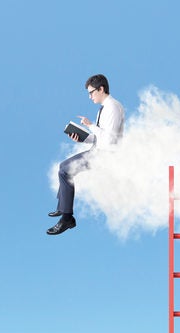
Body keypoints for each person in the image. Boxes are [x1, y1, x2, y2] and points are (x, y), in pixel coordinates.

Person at [48, 73, 125, 236]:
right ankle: (63, 208)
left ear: (101, 89)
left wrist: (90, 125)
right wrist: (82, 137)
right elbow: (98, 137)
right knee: (64, 168)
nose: (90, 97)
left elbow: (110, 140)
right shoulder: (103, 109)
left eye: (91, 92)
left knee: (64, 170)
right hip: (97, 150)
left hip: (106, 155)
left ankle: (67, 217)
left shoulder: (113, 107)